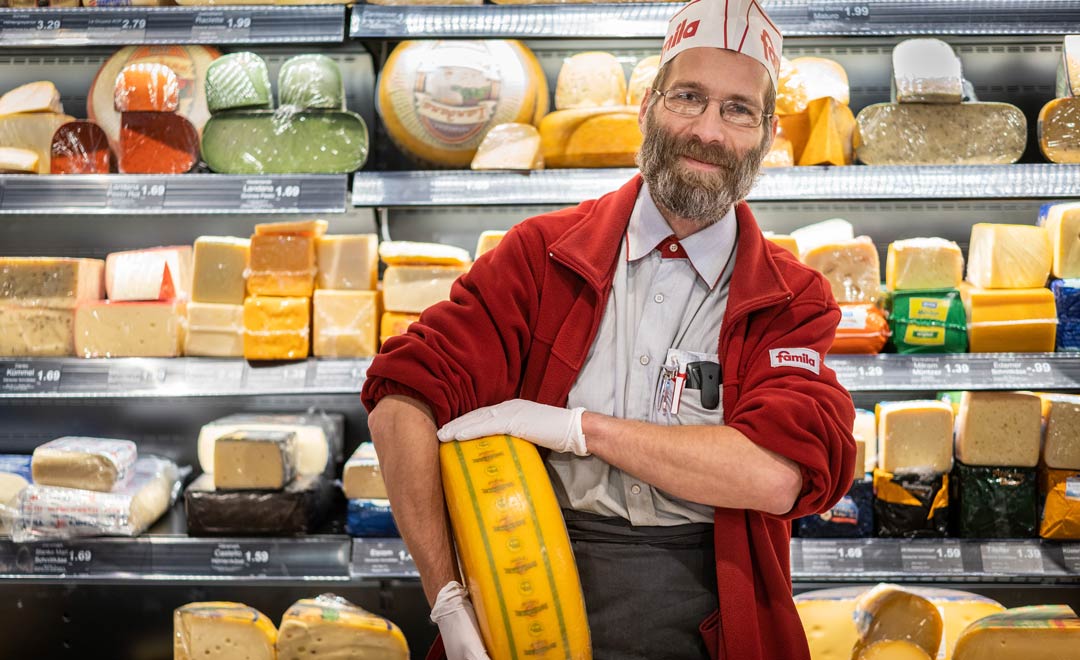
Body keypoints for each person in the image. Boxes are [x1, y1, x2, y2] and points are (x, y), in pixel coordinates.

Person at [361, 0, 857, 657]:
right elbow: (401, 397)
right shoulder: (539, 256)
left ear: (766, 136)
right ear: (649, 106)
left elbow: (775, 474)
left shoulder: (791, 297)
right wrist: (447, 597)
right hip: (521, 593)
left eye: (738, 110)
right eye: (688, 97)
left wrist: (579, 429)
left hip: (711, 615)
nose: (708, 130)